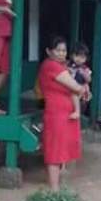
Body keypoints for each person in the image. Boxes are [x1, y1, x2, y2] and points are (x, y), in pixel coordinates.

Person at [37, 36, 86, 191]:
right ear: (48, 51)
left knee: (60, 152)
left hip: (63, 115)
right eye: (57, 50)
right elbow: (76, 87)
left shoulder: (60, 66)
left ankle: (56, 190)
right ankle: (54, 190)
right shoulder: (52, 66)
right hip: (56, 114)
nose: (61, 53)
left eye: (64, 50)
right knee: (54, 153)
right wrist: (82, 89)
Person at [67, 43, 92, 121]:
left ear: (86, 59)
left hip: (80, 91)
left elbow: (89, 80)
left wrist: (84, 74)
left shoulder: (85, 69)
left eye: (82, 57)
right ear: (72, 55)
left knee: (81, 104)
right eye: (76, 56)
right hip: (70, 89)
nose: (79, 59)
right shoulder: (68, 66)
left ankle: (78, 114)